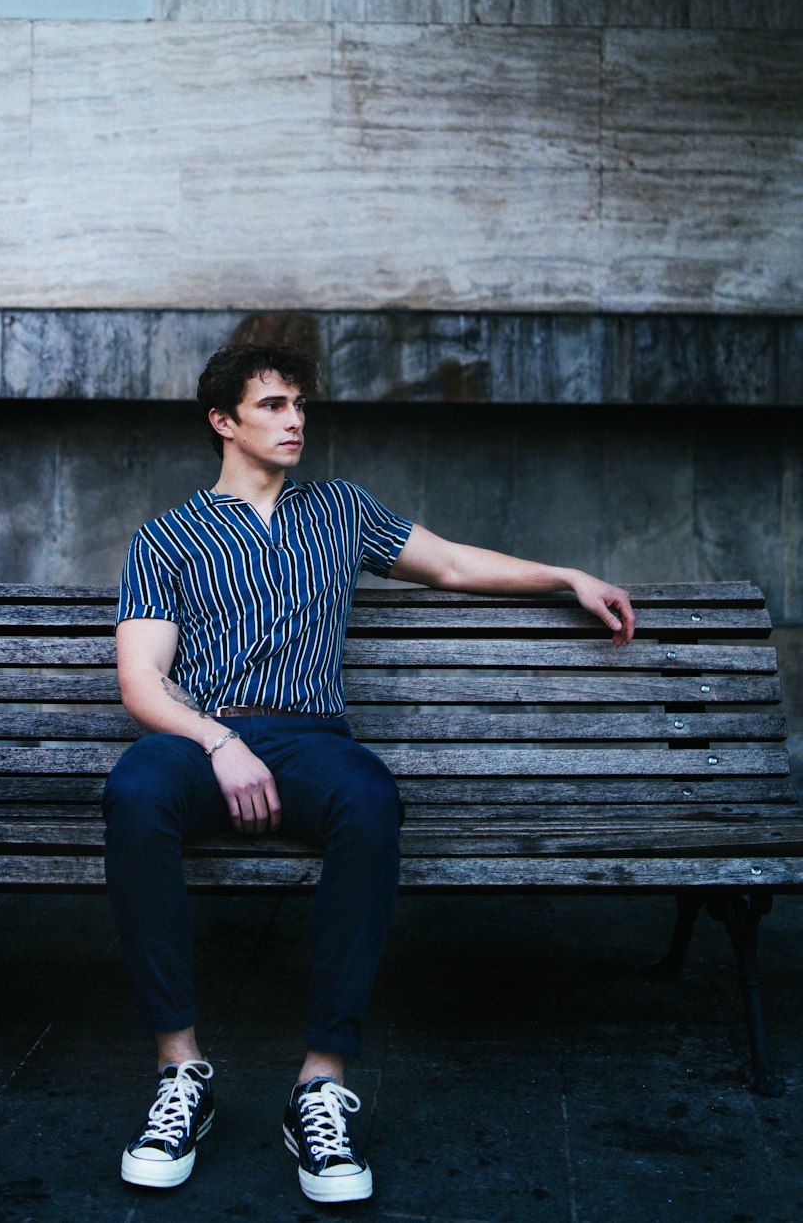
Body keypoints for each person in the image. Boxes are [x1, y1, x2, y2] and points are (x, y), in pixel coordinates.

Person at [103, 342, 634, 1203]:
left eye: (299, 404)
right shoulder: (168, 537)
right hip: (203, 737)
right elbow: (140, 680)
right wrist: (216, 742)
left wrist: (564, 574)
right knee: (132, 794)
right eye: (273, 404)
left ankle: (321, 1082)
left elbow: (454, 563)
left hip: (313, 740)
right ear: (223, 421)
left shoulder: (341, 509)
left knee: (369, 797)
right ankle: (181, 1075)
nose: (295, 419)